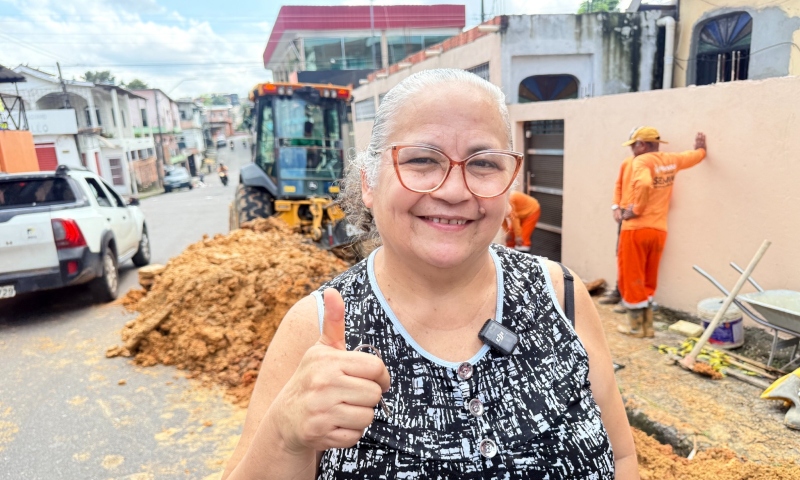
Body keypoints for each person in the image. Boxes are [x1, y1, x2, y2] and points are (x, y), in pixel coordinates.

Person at [222, 69, 638, 479]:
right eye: (422, 159)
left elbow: (622, 460)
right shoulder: (313, 329)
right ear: (368, 181)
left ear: (510, 181)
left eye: (484, 163)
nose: (454, 191)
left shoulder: (560, 295)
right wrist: (284, 433)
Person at [616, 127, 707, 338]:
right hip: (658, 230)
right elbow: (692, 157)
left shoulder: (642, 161)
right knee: (648, 278)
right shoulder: (671, 160)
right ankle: (647, 328)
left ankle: (636, 328)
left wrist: (635, 209)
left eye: (633, 146)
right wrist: (701, 151)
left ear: (643, 145)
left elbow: (645, 183)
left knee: (631, 277)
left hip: (636, 229)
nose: (632, 151)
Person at [599, 127, 639, 314]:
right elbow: (619, 185)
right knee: (622, 256)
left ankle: (631, 298)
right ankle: (619, 291)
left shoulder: (653, 164)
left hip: (641, 219)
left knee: (635, 260)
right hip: (624, 216)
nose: (632, 149)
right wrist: (616, 207)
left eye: (635, 145)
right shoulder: (628, 163)